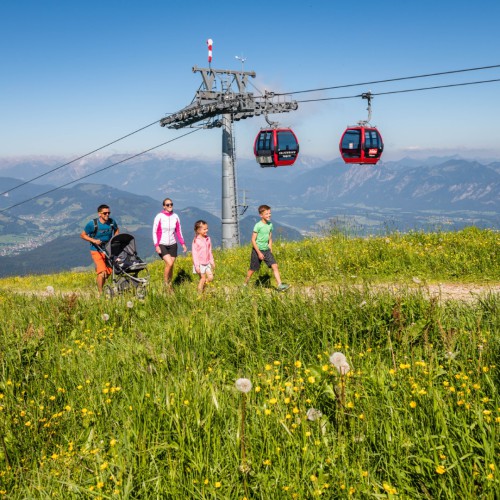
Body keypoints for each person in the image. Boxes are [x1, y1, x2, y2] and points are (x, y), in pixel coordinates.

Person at [244, 204, 290, 292]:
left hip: (266, 250)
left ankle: (280, 285)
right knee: (252, 269)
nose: (269, 215)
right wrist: (259, 253)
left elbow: (270, 238)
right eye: (266, 214)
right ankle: (245, 283)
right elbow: (253, 240)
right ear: (261, 215)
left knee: (275, 266)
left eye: (269, 213)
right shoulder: (258, 225)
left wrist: (270, 248)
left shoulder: (270, 225)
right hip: (257, 250)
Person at [80, 204, 119, 294]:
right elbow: (83, 235)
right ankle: (100, 294)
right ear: (99, 214)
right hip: (96, 250)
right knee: (102, 272)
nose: (107, 215)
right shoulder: (92, 224)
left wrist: (115, 239)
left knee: (108, 272)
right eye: (105, 213)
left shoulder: (112, 222)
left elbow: (116, 230)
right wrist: (93, 240)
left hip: (108, 249)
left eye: (109, 213)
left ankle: (101, 287)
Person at [152, 198, 187, 288]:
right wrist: (156, 245)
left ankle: (170, 284)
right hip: (162, 244)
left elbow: (178, 231)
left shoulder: (175, 216)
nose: (170, 206)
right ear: (164, 206)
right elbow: (154, 231)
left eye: (171, 204)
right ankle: (166, 284)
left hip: (173, 244)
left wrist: (182, 243)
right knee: (169, 263)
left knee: (171, 265)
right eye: (167, 205)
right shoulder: (159, 216)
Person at [192, 220, 215, 293]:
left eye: (207, 228)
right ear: (198, 230)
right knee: (203, 278)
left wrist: (212, 261)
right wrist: (197, 266)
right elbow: (194, 254)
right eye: (204, 229)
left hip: (207, 262)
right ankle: (199, 294)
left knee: (211, 278)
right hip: (200, 264)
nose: (206, 230)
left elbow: (209, 251)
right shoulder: (196, 241)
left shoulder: (208, 239)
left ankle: (202, 289)